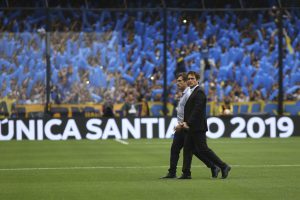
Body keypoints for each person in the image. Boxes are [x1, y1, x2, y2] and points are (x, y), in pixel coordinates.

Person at [161, 73, 219, 179]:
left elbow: (191, 111)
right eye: (177, 81)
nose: (177, 83)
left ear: (185, 82)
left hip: (186, 126)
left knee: (195, 150)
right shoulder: (185, 94)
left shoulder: (189, 94)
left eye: (180, 81)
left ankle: (214, 166)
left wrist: (184, 124)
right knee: (177, 149)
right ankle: (173, 172)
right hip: (182, 125)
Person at [179, 71, 231, 179]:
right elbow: (190, 110)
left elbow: (197, 110)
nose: (190, 80)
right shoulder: (192, 92)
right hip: (191, 127)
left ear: (197, 80)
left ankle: (223, 166)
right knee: (188, 149)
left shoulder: (199, 92)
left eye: (192, 78)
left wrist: (188, 122)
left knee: (203, 149)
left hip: (197, 127)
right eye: (188, 78)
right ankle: (186, 173)